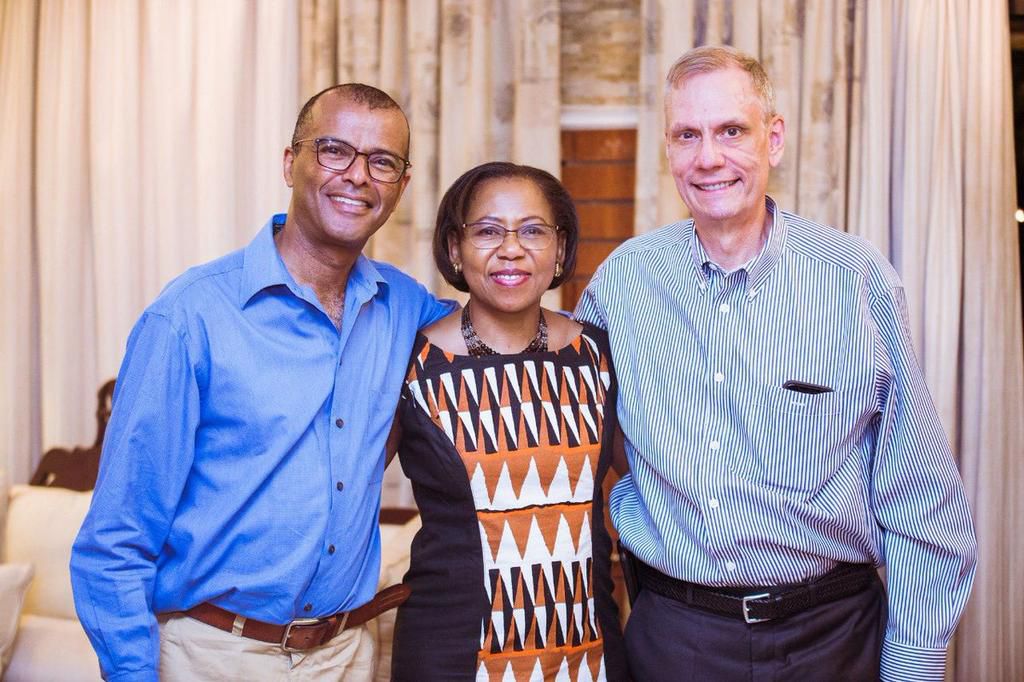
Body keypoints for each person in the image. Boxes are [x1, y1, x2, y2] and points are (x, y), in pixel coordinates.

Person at [574, 45, 978, 681]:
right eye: (688, 135)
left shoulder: (856, 279)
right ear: (669, 151)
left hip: (833, 633)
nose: (709, 158)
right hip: (679, 634)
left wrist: (913, 663)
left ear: (775, 138)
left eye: (732, 130)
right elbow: (592, 445)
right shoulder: (621, 283)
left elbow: (917, 485)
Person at [70, 83, 455, 681]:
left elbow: (494, 343)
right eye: (334, 151)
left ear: (401, 187)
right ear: (289, 162)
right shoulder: (190, 317)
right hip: (213, 656)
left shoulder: (406, 309)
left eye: (383, 162)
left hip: (348, 655)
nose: (358, 176)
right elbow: (116, 540)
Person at [387, 162, 629, 681]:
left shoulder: (599, 355)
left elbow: (654, 481)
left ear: (561, 249)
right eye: (488, 231)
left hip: (589, 651)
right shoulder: (409, 364)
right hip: (451, 653)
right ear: (455, 248)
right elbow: (344, 486)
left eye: (534, 231)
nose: (512, 248)